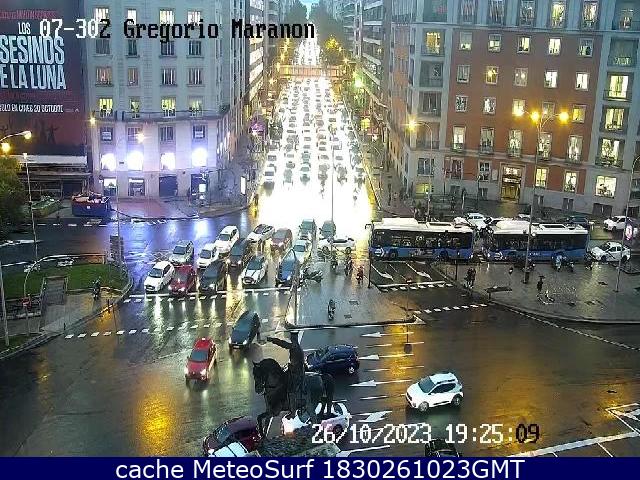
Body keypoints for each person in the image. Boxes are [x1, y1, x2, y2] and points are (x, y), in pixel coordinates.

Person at [266, 332, 305, 417]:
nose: (292, 340)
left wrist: (272, 340)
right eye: (292, 339)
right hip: (293, 370)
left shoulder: (295, 347)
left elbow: (283, 344)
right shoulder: (295, 346)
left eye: (293, 339)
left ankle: (293, 412)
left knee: (291, 392)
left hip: (296, 373)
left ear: (295, 339)